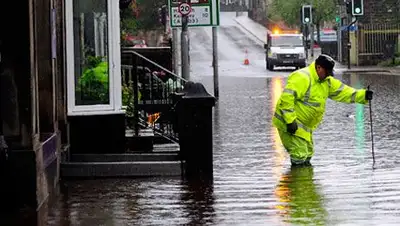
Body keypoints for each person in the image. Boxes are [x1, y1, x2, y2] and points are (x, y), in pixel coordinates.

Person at [272, 54, 374, 165]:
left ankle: (304, 181)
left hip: (303, 127)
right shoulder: (302, 77)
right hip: (288, 124)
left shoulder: (326, 81)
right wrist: (290, 121)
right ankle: (298, 181)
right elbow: (286, 99)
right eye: (327, 72)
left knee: (307, 154)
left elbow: (344, 92)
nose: (328, 75)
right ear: (319, 68)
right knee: (299, 154)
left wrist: (363, 95)